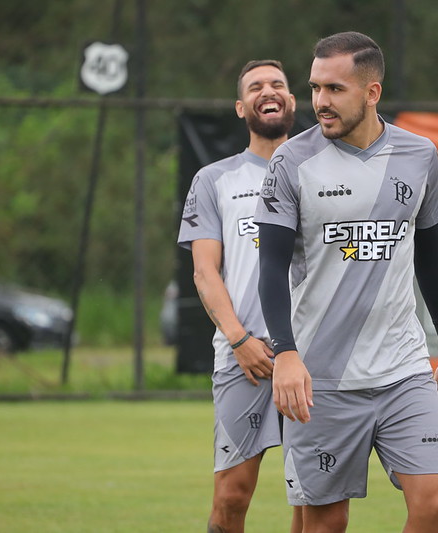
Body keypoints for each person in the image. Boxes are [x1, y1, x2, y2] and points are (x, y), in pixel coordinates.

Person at [255, 32, 438, 533]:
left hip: (403, 369)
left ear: (372, 93)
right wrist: (285, 354)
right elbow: (271, 270)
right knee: (326, 524)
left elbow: (431, 258)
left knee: (435, 503)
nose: (320, 103)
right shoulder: (291, 163)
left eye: (335, 90)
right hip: (320, 379)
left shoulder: (420, 156)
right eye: (315, 88)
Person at [177, 59, 302, 533]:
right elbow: (205, 272)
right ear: (240, 106)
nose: (267, 92)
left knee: (313, 498)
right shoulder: (214, 180)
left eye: (277, 85)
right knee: (231, 497)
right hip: (244, 356)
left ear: (292, 100)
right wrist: (238, 338)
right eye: (255, 87)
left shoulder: (324, 172)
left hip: (314, 358)